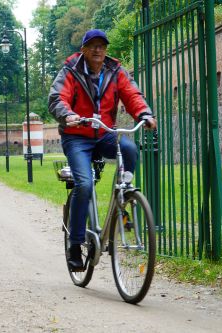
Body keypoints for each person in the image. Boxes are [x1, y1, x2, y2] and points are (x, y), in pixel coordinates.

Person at [48, 29, 157, 272]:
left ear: (106, 49)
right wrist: (69, 115)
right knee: (84, 185)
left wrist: (144, 114)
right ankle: (75, 244)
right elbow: (57, 98)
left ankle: (125, 193)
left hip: (104, 132)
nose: (98, 50)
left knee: (129, 149)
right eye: (93, 45)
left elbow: (132, 94)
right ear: (84, 49)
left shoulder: (115, 71)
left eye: (102, 46)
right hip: (77, 136)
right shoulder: (71, 71)